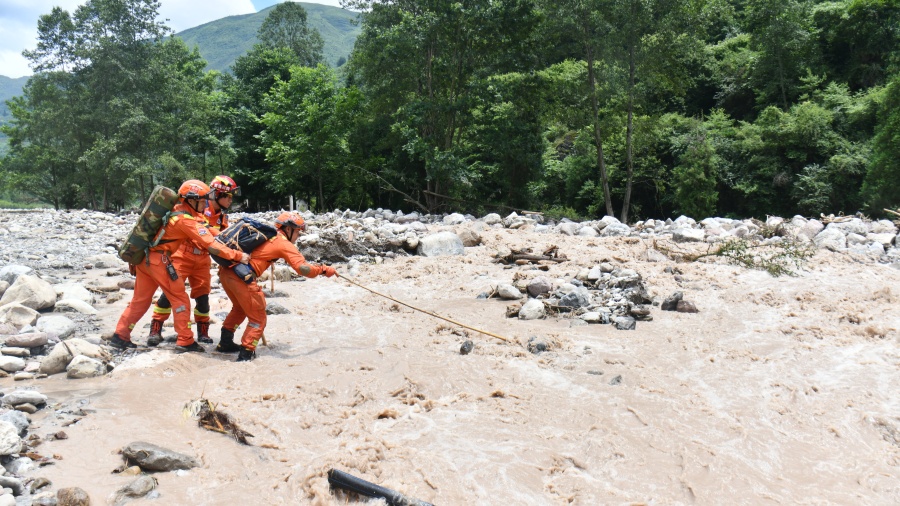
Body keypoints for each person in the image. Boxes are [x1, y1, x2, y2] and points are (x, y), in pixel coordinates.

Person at [110, 180, 250, 353]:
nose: (205, 203)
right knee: (180, 299)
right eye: (202, 200)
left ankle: (120, 336)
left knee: (139, 301)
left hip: (145, 261)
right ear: (191, 200)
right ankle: (185, 340)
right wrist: (238, 255)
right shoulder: (184, 221)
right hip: (159, 261)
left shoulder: (174, 211)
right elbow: (211, 244)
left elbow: (208, 229)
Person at [216, 212, 336, 362]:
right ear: (288, 229)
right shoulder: (283, 243)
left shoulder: (267, 236)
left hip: (226, 272)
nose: (299, 235)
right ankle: (245, 355)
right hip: (241, 278)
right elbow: (304, 269)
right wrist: (323, 270)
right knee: (258, 319)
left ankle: (225, 343)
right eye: (298, 231)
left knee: (240, 309)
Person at [147, 175, 240, 347]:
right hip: (183, 255)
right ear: (217, 194)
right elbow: (202, 230)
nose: (230, 200)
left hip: (203, 259)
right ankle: (155, 329)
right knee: (169, 294)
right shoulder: (196, 208)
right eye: (228, 196)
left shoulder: (222, 218)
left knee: (203, 297)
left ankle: (202, 332)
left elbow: (225, 238)